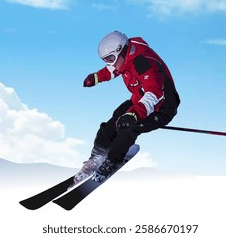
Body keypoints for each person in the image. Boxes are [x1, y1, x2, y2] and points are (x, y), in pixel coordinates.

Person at [75, 31, 180, 183]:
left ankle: (112, 161)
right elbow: (112, 69)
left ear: (121, 50)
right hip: (139, 100)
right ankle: (97, 157)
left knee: (127, 128)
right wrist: (96, 78)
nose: (109, 63)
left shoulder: (145, 63)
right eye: (105, 60)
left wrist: (133, 115)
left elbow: (154, 94)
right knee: (111, 124)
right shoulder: (125, 57)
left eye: (110, 58)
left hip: (161, 107)